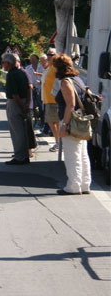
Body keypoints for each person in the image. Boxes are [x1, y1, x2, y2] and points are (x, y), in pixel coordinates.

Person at [52, 54, 92, 195]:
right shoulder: (78, 80)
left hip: (71, 120)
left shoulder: (66, 82)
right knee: (82, 153)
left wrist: (64, 126)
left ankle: (73, 186)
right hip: (81, 119)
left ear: (58, 67)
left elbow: (70, 105)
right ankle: (85, 184)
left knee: (71, 154)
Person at [1, 52, 31, 165]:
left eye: (4, 62)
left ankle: (19, 156)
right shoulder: (21, 73)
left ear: (8, 63)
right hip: (24, 101)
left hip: (15, 104)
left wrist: (22, 106)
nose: (3, 65)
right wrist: (27, 104)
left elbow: (14, 94)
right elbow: (29, 88)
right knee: (23, 131)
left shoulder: (11, 75)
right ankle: (25, 155)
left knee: (16, 131)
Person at [41, 48, 62, 150]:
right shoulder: (49, 67)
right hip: (47, 99)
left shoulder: (55, 67)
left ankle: (58, 142)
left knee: (53, 122)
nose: (49, 56)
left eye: (51, 54)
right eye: (48, 54)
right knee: (53, 122)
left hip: (53, 99)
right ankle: (59, 142)